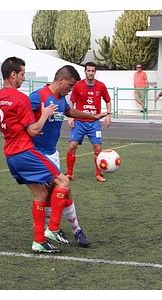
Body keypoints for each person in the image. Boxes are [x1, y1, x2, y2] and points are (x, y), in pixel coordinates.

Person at [0, 56, 74, 254]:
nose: (23, 79)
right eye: (21, 74)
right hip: (25, 151)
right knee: (63, 182)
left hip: (10, 155)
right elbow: (33, 130)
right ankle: (53, 229)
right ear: (12, 75)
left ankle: (39, 241)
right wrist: (45, 114)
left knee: (41, 193)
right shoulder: (20, 98)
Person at [29, 65, 110, 247]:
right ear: (61, 80)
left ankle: (55, 230)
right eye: (70, 85)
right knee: (60, 188)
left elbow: (69, 111)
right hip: (37, 155)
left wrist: (91, 116)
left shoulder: (61, 99)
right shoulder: (39, 96)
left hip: (52, 153)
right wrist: (31, 129)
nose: (71, 89)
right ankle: (71, 230)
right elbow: (22, 114)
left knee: (57, 193)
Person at [65, 62, 112, 183]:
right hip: (79, 122)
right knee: (72, 146)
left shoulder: (101, 86)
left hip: (94, 122)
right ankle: (69, 173)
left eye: (92, 71)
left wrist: (108, 114)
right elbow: (72, 101)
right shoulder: (78, 86)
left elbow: (107, 100)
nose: (90, 73)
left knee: (97, 148)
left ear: (95, 72)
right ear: (85, 72)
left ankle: (98, 174)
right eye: (88, 71)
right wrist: (70, 117)